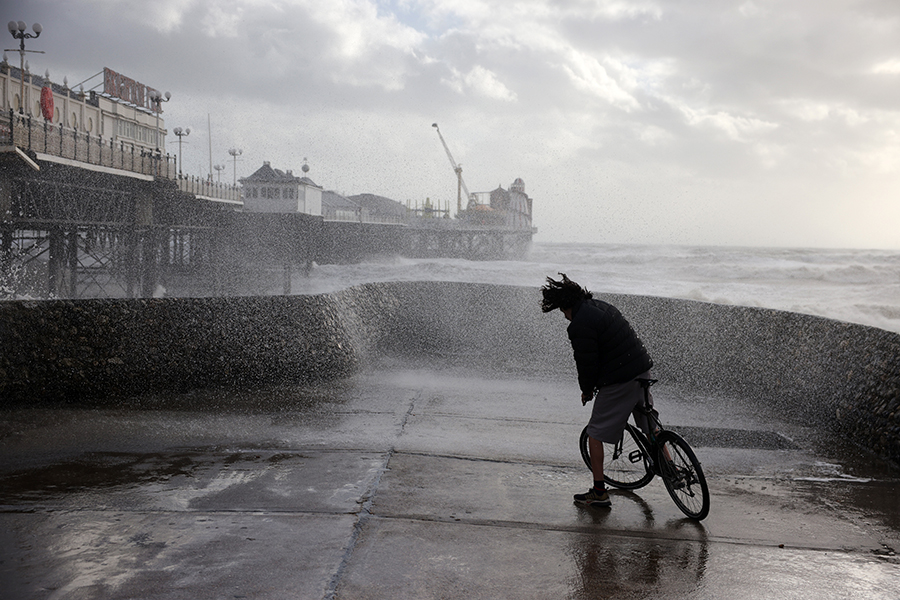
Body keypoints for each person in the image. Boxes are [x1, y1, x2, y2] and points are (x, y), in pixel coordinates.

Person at [541, 273, 654, 508]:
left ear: (567, 305)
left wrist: (587, 390)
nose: (564, 317)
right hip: (642, 370)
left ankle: (599, 491)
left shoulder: (579, 324)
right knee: (650, 426)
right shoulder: (602, 306)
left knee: (594, 433)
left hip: (620, 379)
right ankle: (674, 469)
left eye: (563, 312)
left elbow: (587, 363)